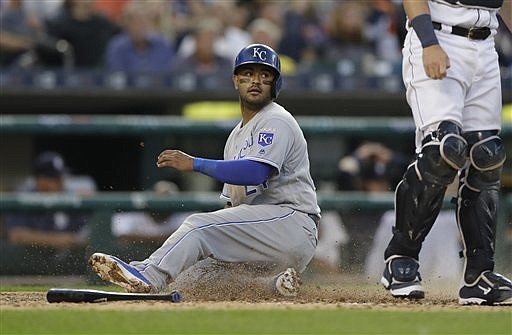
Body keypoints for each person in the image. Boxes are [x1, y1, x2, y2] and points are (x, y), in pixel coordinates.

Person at [89, 43, 321, 297]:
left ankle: (149, 273)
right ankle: (273, 285)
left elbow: (256, 173)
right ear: (235, 80)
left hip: (290, 224)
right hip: (261, 237)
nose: (255, 81)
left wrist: (195, 163)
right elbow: (233, 206)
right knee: (195, 277)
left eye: (265, 75)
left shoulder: (277, 119)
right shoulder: (235, 137)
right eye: (248, 74)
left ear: (276, 84)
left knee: (198, 225)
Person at [381, 0, 511, 305]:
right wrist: (428, 42)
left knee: (487, 156)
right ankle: (401, 257)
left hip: (486, 46)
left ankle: (480, 275)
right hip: (438, 35)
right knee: (444, 149)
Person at [4, 151, 95, 249]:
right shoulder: (23, 198)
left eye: (60, 178)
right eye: (53, 179)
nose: (60, 183)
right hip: (30, 259)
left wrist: (77, 240)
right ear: (39, 179)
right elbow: (16, 235)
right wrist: (57, 240)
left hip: (67, 258)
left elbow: (89, 232)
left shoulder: (72, 197)